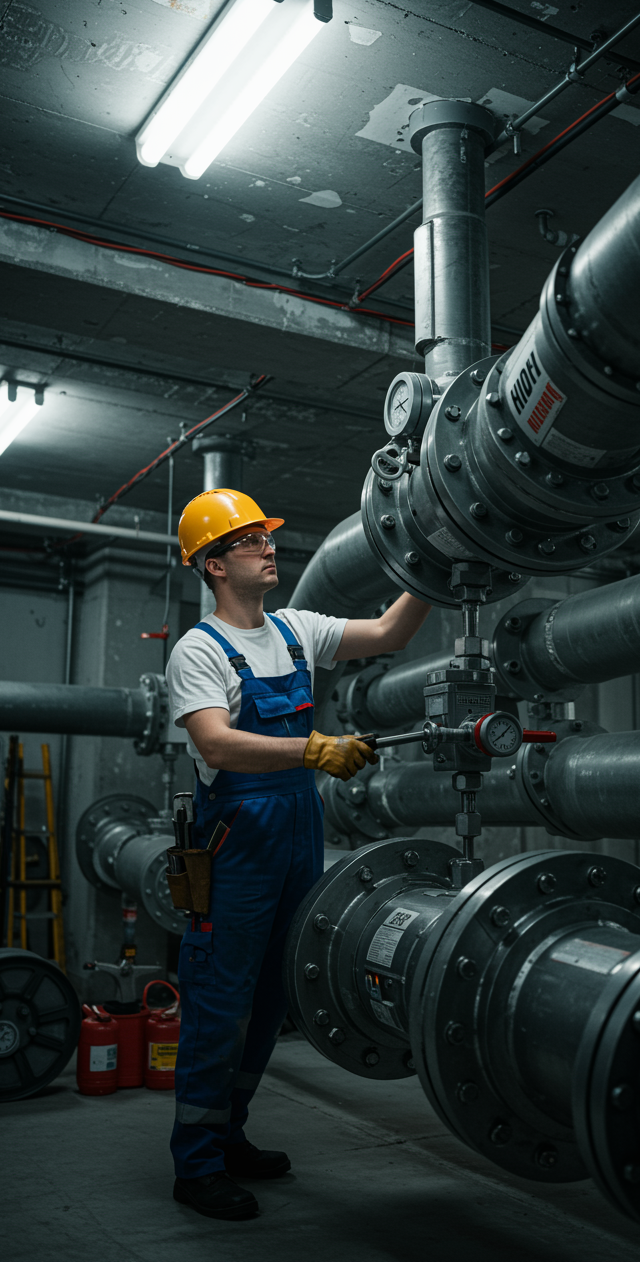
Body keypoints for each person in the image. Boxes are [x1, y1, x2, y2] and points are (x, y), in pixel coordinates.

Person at [165, 488, 430, 1221]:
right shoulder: (199, 649)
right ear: (214, 565)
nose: (267, 547)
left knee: (271, 998)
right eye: (249, 540)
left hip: (296, 831)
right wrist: (314, 747)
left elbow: (387, 632)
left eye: (266, 537)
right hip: (236, 841)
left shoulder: (294, 631)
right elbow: (216, 741)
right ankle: (196, 1163)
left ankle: (231, 1135)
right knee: (221, 1001)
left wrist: (434, 561)